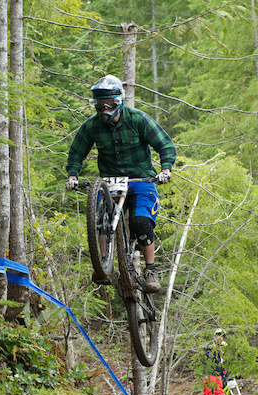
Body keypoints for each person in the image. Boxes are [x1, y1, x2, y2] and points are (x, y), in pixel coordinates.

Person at [65, 74, 177, 293]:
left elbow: (165, 144)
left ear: (119, 101)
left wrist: (165, 169)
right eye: (99, 104)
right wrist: (73, 175)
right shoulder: (92, 127)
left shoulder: (137, 119)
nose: (104, 108)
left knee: (141, 222)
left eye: (108, 103)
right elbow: (76, 152)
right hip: (109, 183)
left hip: (141, 179)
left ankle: (150, 269)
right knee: (101, 220)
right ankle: (103, 264)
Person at [202, 328, 228, 395]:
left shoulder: (222, 347)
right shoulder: (209, 346)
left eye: (222, 336)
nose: (220, 338)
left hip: (218, 373)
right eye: (219, 335)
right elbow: (205, 358)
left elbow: (223, 360)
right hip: (209, 372)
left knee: (219, 394)